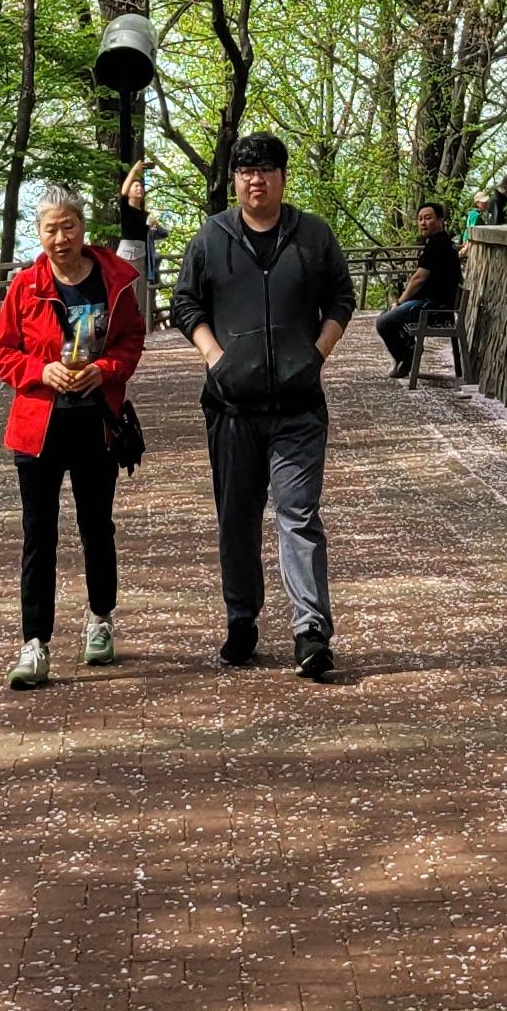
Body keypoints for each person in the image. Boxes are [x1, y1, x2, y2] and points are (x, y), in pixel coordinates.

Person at [171, 132, 355, 677]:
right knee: (238, 518)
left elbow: (341, 298)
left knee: (298, 514)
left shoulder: (312, 235)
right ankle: (241, 619)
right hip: (231, 408)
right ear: (236, 180)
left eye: (266, 170)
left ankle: (311, 631)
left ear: (282, 178)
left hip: (299, 406)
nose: (257, 180)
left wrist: (316, 354)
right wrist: (215, 357)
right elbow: (185, 303)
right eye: (247, 172)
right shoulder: (212, 236)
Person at [0, 186, 145, 690]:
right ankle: (35, 643)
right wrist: (41, 371)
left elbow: (131, 339)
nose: (61, 238)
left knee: (96, 526)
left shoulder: (112, 279)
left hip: (95, 421)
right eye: (51, 229)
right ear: (39, 234)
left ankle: (100, 618)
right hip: (39, 427)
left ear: (82, 227)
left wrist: (105, 369)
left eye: (68, 226)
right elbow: (1, 351)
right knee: (39, 535)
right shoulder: (26, 287)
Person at [373, 201, 464, 374]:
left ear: (440, 221)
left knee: (384, 322)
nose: (423, 222)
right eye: (420, 219)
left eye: (428, 218)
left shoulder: (438, 245)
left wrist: (400, 302)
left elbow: (419, 279)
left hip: (434, 307)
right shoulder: (436, 242)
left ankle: (406, 357)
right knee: (386, 314)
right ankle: (409, 350)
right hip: (432, 303)